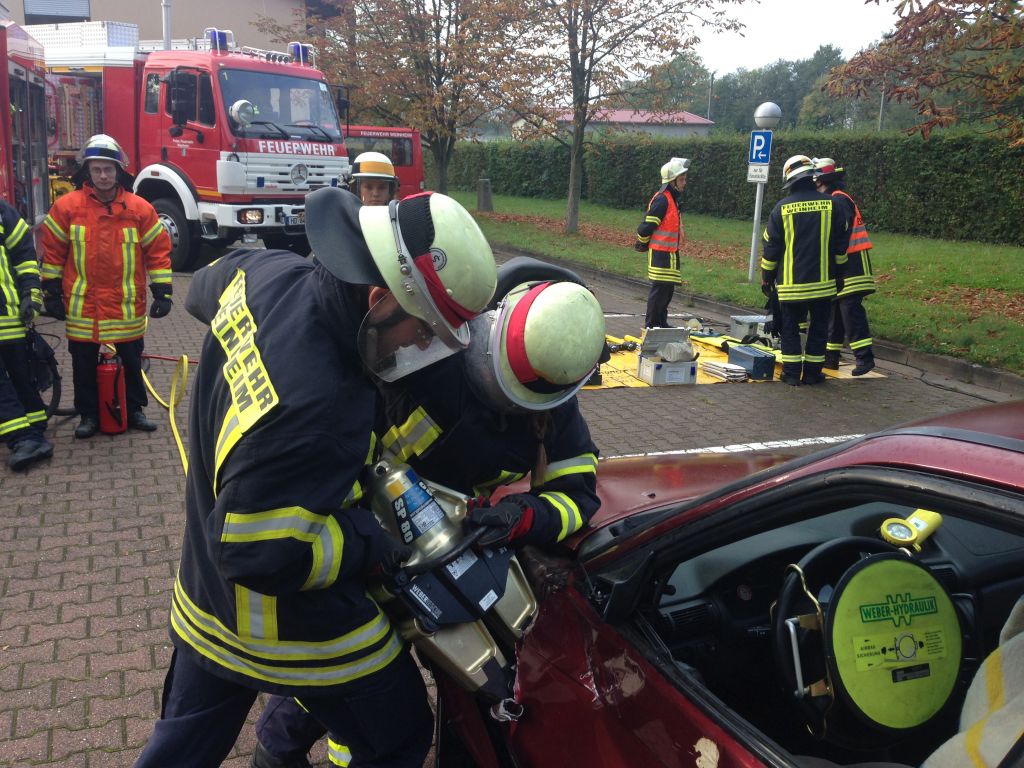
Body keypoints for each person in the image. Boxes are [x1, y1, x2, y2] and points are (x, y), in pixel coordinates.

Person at [132, 186, 498, 768]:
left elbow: (202, 290)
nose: (421, 344)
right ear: (378, 297)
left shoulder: (268, 272)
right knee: (399, 733)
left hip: (203, 599)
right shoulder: (321, 406)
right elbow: (257, 554)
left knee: (182, 748)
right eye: (423, 327)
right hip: (279, 619)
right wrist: (369, 539)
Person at [251, 271, 606, 768]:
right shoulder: (430, 340)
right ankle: (277, 752)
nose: (503, 395)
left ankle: (341, 753)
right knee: (340, 658)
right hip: (359, 525)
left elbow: (575, 497)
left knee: (403, 672)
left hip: (444, 548)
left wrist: (519, 516)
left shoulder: (554, 405)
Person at [40, 133, 173, 438]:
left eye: (108, 169)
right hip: (83, 306)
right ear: (87, 171)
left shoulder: (139, 209)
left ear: (118, 171)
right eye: (97, 169)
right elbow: (53, 253)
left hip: (125, 306)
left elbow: (158, 252)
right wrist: (50, 290)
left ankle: (135, 410)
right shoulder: (66, 207)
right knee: (83, 364)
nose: (103, 175)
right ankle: (88, 415)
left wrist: (163, 291)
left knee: (132, 361)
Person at [760, 155, 850, 386]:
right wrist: (840, 274)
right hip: (823, 285)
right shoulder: (833, 205)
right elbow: (841, 245)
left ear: (790, 180)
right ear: (812, 177)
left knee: (789, 329)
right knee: (819, 329)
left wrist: (766, 278)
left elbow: (771, 248)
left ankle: (791, 374)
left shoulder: (781, 209)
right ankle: (812, 374)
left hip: (791, 287)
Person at [0, 198, 53, 467]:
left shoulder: (3, 213)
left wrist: (31, 296)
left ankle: (27, 437)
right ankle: (31, 430)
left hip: (10, 316)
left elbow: (25, 258)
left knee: (21, 377)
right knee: (17, 379)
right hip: (11, 314)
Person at [812, 158, 877, 376]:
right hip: (840, 263)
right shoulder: (832, 198)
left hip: (853, 264)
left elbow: (839, 231)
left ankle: (864, 358)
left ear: (820, 180)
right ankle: (830, 358)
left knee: (850, 310)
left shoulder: (839, 200)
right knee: (834, 312)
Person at [634, 157, 689, 329]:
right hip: (660, 254)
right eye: (682, 179)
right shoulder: (662, 200)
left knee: (667, 291)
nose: (685, 183)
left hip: (669, 253)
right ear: (672, 182)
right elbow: (645, 227)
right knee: (659, 292)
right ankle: (652, 326)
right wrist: (642, 243)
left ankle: (661, 323)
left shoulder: (672, 199)